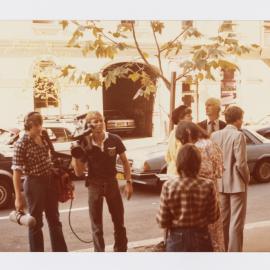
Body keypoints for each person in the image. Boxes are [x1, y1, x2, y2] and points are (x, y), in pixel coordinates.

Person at [71, 111, 133, 252]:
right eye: (95, 121)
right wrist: (76, 153)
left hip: (112, 183)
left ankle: (121, 250)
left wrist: (128, 182)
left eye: (101, 120)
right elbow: (78, 172)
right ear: (88, 125)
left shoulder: (114, 139)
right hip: (94, 185)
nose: (99, 123)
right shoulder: (85, 143)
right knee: (97, 227)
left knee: (119, 222)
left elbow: (125, 162)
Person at [12, 111, 68, 252]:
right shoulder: (21, 143)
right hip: (34, 183)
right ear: (29, 125)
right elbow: (16, 173)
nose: (40, 128)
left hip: (49, 181)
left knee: (54, 220)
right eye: (37, 125)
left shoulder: (42, 137)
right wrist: (18, 197)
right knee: (35, 223)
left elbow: (49, 158)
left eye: (40, 124)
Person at [156, 144, 220, 252]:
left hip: (177, 240)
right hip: (201, 238)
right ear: (198, 164)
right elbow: (214, 216)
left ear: (178, 163)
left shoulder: (168, 186)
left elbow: (162, 221)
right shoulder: (208, 185)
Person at [175, 121, 225, 251]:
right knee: (216, 235)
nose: (182, 142)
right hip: (212, 192)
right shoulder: (212, 144)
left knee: (201, 236)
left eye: (182, 138)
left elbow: (197, 172)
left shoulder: (196, 148)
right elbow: (219, 171)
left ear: (188, 133)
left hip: (195, 196)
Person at [211, 105, 250, 252]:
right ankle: (234, 254)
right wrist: (247, 178)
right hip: (236, 183)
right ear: (238, 119)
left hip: (220, 183)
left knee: (224, 220)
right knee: (236, 222)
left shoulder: (215, 135)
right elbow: (241, 163)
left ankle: (223, 249)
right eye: (241, 118)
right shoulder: (238, 135)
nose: (242, 121)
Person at [165, 105, 192, 176]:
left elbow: (167, 156)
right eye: (188, 116)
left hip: (171, 171)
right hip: (180, 173)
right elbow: (182, 157)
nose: (192, 118)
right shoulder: (184, 133)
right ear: (180, 119)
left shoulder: (172, 132)